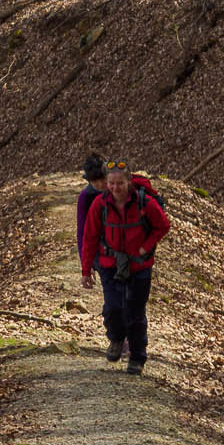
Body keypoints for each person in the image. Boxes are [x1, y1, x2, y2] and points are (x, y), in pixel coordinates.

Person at [80, 158, 170, 375]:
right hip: (110, 264)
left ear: (129, 182)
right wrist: (86, 270)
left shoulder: (144, 203)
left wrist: (145, 247)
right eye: (111, 183)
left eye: (119, 183)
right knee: (113, 308)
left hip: (140, 267)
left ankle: (138, 357)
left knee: (135, 311)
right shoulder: (99, 204)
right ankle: (116, 339)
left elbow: (163, 226)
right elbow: (89, 237)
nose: (115, 188)